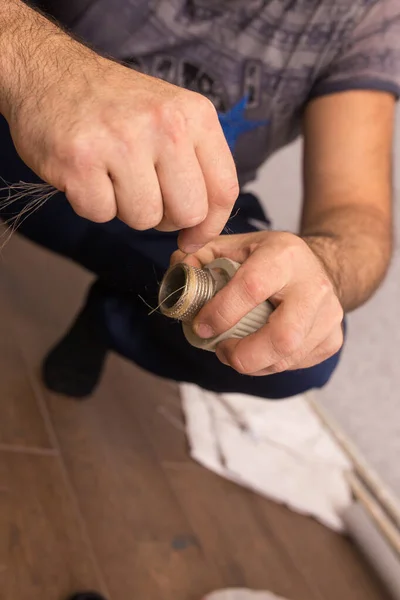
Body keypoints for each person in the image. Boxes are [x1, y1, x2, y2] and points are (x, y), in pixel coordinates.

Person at [0, 0, 398, 399]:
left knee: (290, 337)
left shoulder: (364, 16)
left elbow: (358, 216)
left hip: (185, 223)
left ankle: (113, 319)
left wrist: (322, 264)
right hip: (24, 135)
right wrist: (45, 69)